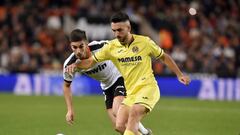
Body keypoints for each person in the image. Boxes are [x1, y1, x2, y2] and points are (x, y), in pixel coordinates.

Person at [65, 12, 191, 135]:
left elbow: (164, 57)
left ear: (129, 28)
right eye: (114, 30)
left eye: (119, 30)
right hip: (125, 91)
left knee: (133, 113)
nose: (116, 34)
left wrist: (179, 74)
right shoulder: (111, 47)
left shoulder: (144, 42)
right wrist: (76, 65)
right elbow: (90, 62)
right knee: (119, 126)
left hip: (144, 86)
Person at [63, 29, 151, 135]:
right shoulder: (69, 65)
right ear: (70, 46)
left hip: (120, 77)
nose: (78, 51)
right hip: (107, 87)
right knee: (119, 127)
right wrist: (70, 110)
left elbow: (121, 46)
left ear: (86, 43)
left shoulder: (100, 46)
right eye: (74, 47)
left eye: (81, 46)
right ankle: (145, 133)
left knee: (117, 111)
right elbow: (66, 86)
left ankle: (145, 132)